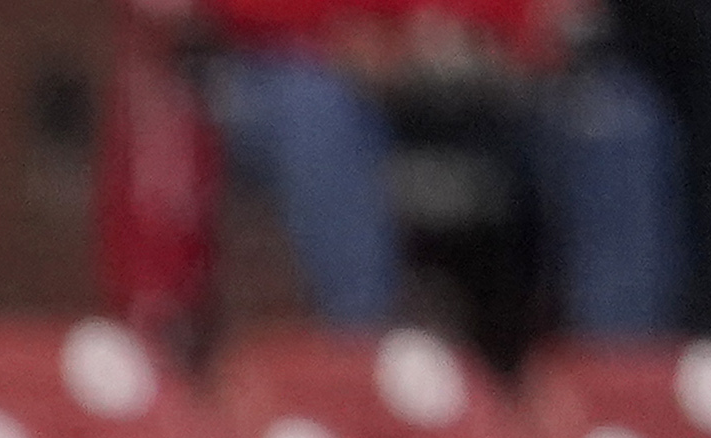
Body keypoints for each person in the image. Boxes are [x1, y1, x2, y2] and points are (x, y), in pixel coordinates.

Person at [206, 4, 678, 350]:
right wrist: (350, 31)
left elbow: (561, 18)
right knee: (312, 109)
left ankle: (618, 379)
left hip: (480, 79)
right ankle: (364, 364)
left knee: (615, 116)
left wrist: (516, 36)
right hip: (298, 67)